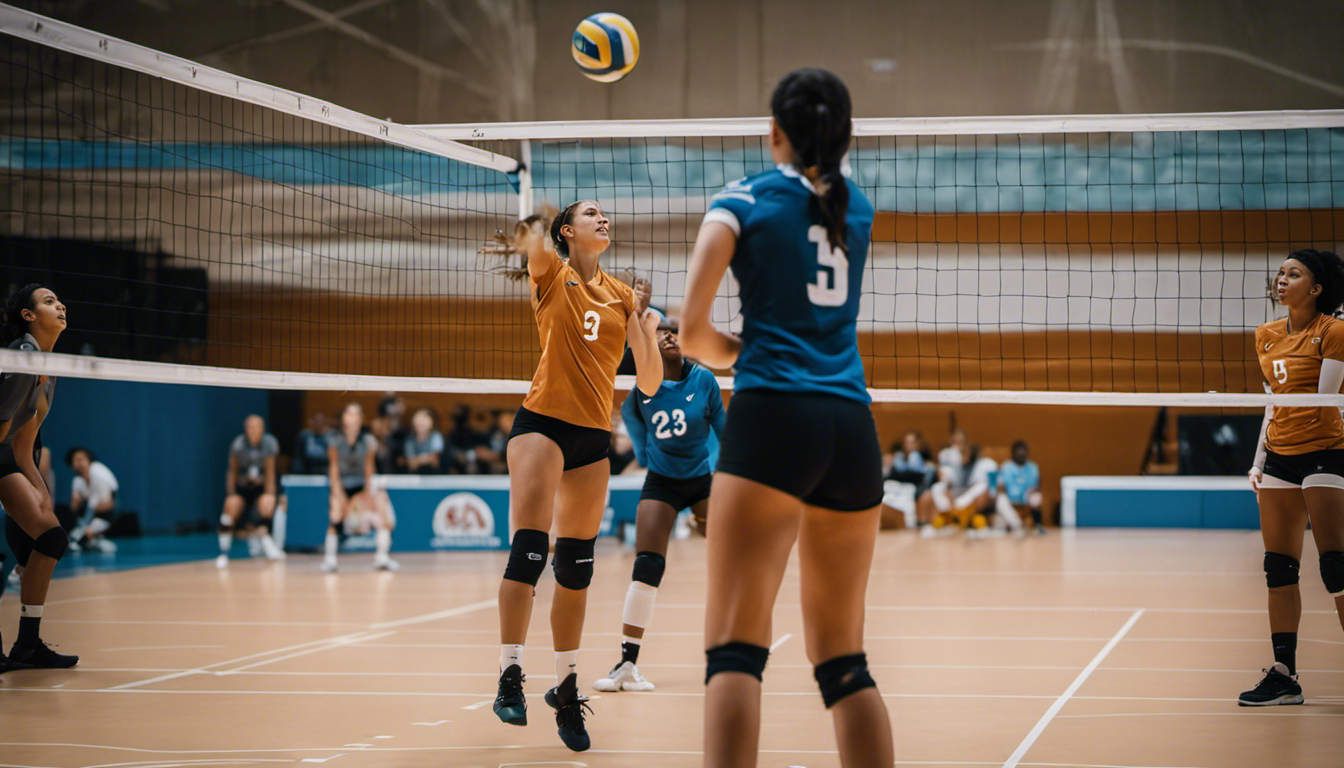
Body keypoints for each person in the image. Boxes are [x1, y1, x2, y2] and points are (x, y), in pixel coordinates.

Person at [680, 69, 893, 768]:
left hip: (774, 416)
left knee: (735, 650)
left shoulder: (741, 200)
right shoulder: (855, 206)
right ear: (846, 134)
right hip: (851, 430)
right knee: (843, 662)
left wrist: (747, 353)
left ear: (774, 131)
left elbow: (692, 335)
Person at [490, 200, 660, 752]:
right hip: (542, 424)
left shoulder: (621, 294)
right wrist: (533, 222)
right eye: (591, 214)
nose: (603, 219)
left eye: (605, 214)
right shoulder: (553, 272)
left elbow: (651, 383)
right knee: (531, 552)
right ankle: (510, 672)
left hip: (592, 437)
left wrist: (645, 326)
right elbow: (530, 240)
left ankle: (565, 686)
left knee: (576, 570)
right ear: (568, 231)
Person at [593, 329, 725, 693]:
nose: (670, 337)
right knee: (647, 566)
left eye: (676, 332)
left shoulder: (705, 379)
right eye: (662, 333)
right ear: (650, 347)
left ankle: (734, 651)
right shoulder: (640, 393)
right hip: (663, 481)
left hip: (702, 479)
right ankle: (627, 664)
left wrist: (725, 473)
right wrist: (648, 458)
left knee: (730, 556)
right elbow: (636, 433)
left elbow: (724, 431)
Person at [1242, 249, 1344, 706]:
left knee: (1336, 566)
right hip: (1281, 455)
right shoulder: (1265, 335)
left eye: (1294, 274)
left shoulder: (1334, 331)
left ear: (1316, 288)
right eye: (1280, 273)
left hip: (1325, 451)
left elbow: (1326, 404)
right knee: (1278, 568)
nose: (1282, 280)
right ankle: (1284, 674)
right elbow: (1275, 403)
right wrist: (1259, 459)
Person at [0, 284, 77, 670]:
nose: (60, 304)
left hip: (8, 452)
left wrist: (38, 485)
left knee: (51, 538)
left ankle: (28, 646)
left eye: (59, 300)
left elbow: (25, 435)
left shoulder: (48, 363)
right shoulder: (22, 357)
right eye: (48, 301)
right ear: (28, 316)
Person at [323, 402, 396, 572]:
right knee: (336, 515)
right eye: (349, 414)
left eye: (357, 414)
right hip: (341, 487)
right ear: (343, 418)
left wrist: (366, 496)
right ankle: (330, 559)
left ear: (361, 419)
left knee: (382, 510)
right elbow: (333, 468)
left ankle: (382, 557)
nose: (353, 418)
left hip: (361, 487)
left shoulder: (368, 441)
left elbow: (369, 469)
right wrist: (338, 494)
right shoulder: (334, 440)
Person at [217, 415, 283, 567]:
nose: (253, 431)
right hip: (243, 488)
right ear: (245, 429)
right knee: (230, 508)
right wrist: (231, 494)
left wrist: (270, 495)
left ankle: (265, 540)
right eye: (250, 427)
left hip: (260, 488)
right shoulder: (238, 445)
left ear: (263, 429)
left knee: (268, 502)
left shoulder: (269, 443)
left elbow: (270, 473)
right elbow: (232, 472)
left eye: (257, 427)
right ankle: (223, 552)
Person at [66, 447, 119, 553]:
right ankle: (89, 540)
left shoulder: (97, 472)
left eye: (81, 459)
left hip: (106, 515)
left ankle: (91, 538)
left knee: (83, 534)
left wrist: (88, 527)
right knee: (74, 536)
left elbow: (107, 504)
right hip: (88, 516)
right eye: (75, 460)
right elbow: (73, 507)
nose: (79, 463)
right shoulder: (78, 480)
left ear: (89, 460)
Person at [996, 440, 1043, 535]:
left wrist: (1033, 490)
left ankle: (1038, 525)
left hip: (1026, 498)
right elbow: (1000, 486)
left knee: (1037, 497)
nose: (1021, 454)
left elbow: (1037, 485)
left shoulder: (1033, 467)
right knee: (1000, 500)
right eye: (1018, 451)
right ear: (1013, 453)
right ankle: (1018, 525)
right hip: (1010, 500)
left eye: (1023, 451)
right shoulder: (1006, 466)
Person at [403, 407, 445, 474]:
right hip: (415, 477)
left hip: (434, 475)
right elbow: (412, 465)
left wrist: (418, 459)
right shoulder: (410, 440)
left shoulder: (436, 436)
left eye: (424, 419)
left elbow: (434, 461)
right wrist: (425, 458)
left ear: (431, 422)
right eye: (418, 419)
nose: (421, 422)